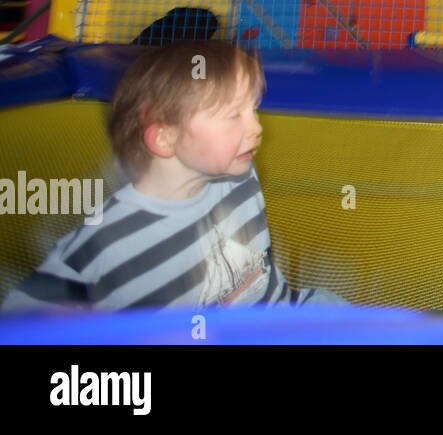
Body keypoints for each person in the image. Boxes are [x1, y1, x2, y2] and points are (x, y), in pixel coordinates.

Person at [3, 40, 343, 311]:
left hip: (288, 316)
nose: (256, 128)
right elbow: (21, 322)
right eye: (232, 115)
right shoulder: (107, 246)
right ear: (165, 137)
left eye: (252, 108)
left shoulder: (238, 176)